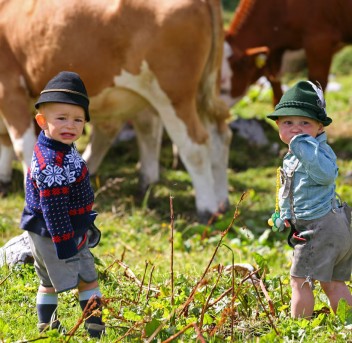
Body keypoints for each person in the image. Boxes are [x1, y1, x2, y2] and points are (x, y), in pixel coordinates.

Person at [20, 71, 105, 337]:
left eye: (78, 119)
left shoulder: (59, 146)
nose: (71, 125)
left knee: (48, 281)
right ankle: (95, 330)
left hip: (49, 230)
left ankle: (46, 326)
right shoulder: (51, 163)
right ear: (42, 121)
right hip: (57, 232)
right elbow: (54, 209)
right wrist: (66, 243)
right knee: (86, 278)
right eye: (62, 118)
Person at [267, 80, 352, 318]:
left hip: (320, 227)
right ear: (278, 126)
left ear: (320, 128)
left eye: (305, 123)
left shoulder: (315, 151)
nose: (296, 129)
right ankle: (348, 323)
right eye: (288, 123)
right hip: (332, 226)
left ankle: (299, 328)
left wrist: (302, 145)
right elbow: (295, 192)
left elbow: (326, 175)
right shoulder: (295, 155)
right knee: (333, 283)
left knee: (299, 281)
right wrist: (284, 216)